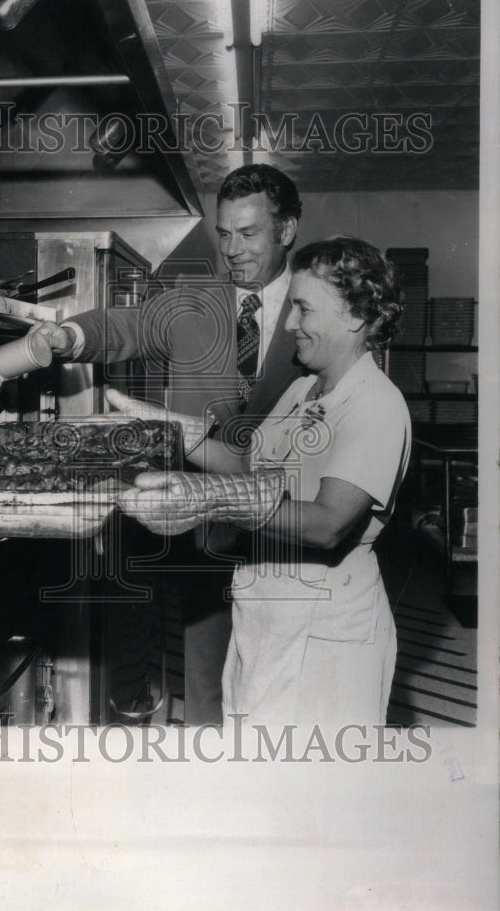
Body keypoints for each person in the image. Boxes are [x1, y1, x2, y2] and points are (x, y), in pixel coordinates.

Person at [31, 164, 307, 725]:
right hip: (206, 531)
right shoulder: (193, 301)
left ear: (287, 230)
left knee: (281, 688)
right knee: (206, 678)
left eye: (249, 233)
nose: (232, 249)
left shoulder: (317, 306)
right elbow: (123, 326)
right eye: (224, 234)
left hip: (289, 530)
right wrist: (67, 335)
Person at [117, 237, 411, 726]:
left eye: (302, 308)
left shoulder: (377, 405)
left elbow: (327, 523)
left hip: (324, 632)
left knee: (309, 788)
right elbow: (246, 462)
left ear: (355, 317)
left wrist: (209, 499)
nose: (289, 323)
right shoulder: (303, 387)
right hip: (264, 616)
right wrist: (166, 426)